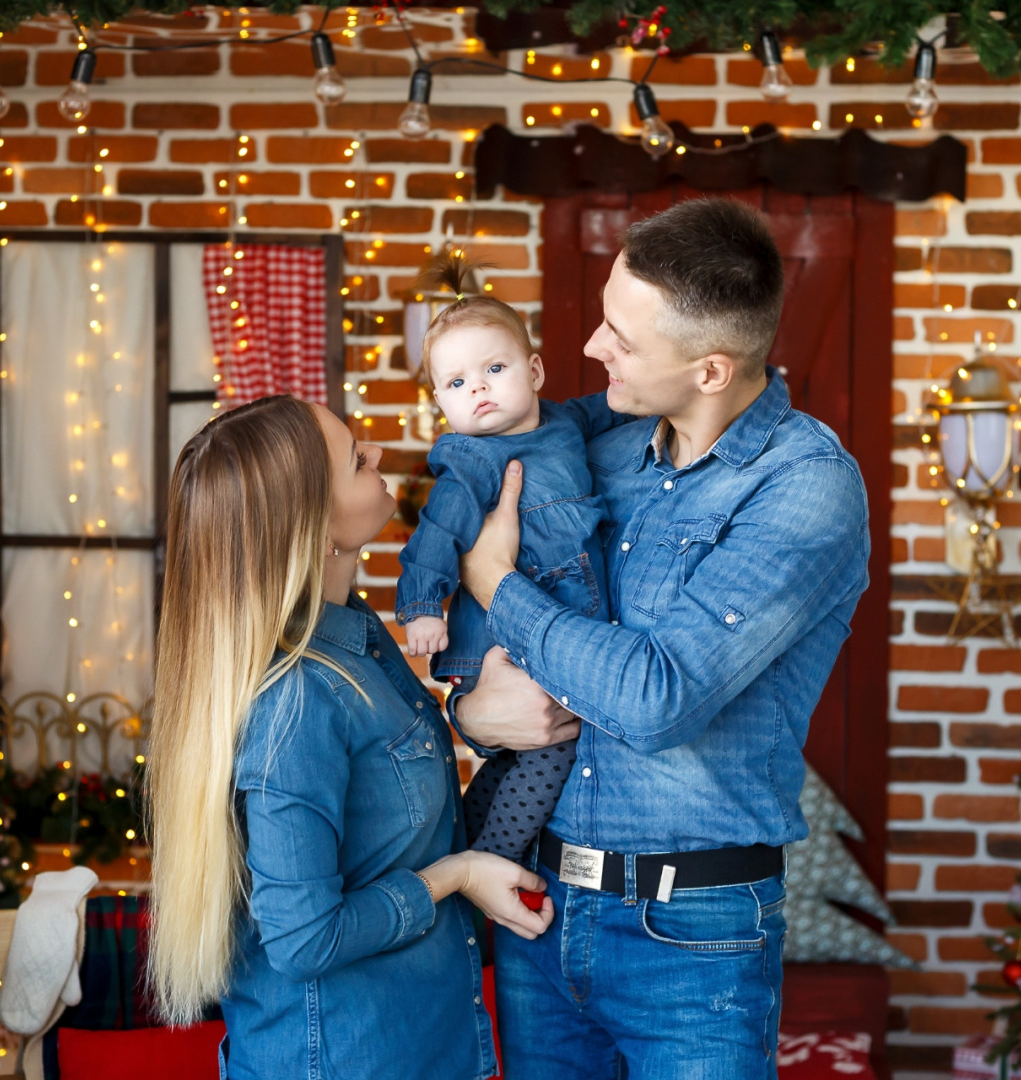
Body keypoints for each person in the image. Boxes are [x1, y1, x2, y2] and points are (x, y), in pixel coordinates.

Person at [454, 197, 872, 1079]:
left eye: (621, 336)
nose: (592, 349)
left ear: (712, 370)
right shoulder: (598, 455)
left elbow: (656, 697)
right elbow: (482, 652)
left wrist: (501, 588)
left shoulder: (806, 488)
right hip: (540, 911)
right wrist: (473, 712)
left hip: (693, 939)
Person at [144, 395, 553, 1080]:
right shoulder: (297, 699)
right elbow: (305, 939)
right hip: (343, 1057)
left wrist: (475, 716)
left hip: (414, 1040)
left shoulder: (355, 638)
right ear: (315, 523)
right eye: (353, 460)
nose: (377, 457)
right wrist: (458, 877)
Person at [396, 253, 618, 871]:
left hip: (552, 630)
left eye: (495, 368)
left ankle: (461, 841)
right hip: (497, 645)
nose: (481, 390)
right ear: (440, 399)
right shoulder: (470, 462)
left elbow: (615, 405)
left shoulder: (565, 423)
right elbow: (435, 536)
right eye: (459, 383)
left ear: (536, 370)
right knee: (552, 754)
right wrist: (421, 607)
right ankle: (490, 863)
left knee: (512, 761)